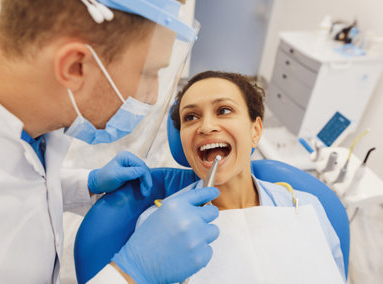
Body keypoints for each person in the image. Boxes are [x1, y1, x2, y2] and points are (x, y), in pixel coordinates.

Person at [0, 0, 220, 283]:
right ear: (76, 66)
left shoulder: (23, 119)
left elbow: (11, 183)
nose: (153, 96)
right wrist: (130, 274)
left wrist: (84, 184)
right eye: (148, 72)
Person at [137, 71, 346, 282]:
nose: (207, 126)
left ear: (255, 131)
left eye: (224, 110)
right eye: (190, 117)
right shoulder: (157, 223)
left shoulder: (306, 208)